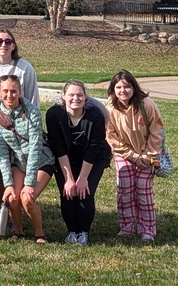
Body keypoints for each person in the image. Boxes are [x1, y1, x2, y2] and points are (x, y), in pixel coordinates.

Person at [45, 79, 111, 245]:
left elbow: (94, 148)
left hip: (94, 159)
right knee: (67, 193)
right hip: (65, 158)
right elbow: (58, 147)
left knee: (84, 192)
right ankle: (72, 232)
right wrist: (68, 179)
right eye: (71, 95)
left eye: (80, 95)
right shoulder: (54, 115)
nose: (76, 98)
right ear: (63, 96)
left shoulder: (95, 115)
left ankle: (84, 233)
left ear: (85, 97)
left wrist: (82, 178)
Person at [0, 74, 55, 243]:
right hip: (19, 163)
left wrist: (29, 183)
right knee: (12, 197)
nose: (9, 95)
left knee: (27, 198)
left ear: (20, 92)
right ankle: (18, 231)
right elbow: (2, 154)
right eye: (5, 91)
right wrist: (8, 184)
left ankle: (40, 234)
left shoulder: (32, 111)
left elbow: (35, 148)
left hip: (41, 162)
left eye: (13, 91)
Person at [105, 69, 164, 243]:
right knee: (125, 190)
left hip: (147, 153)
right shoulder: (110, 108)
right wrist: (132, 156)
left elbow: (157, 131)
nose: (123, 91)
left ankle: (148, 229)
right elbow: (111, 136)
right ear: (113, 90)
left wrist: (148, 156)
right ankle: (128, 226)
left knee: (144, 191)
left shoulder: (147, 104)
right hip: (124, 153)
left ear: (134, 87)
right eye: (119, 87)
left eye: (127, 86)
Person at [0, 29, 39, 106]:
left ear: (13, 46)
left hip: (20, 116)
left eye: (8, 42)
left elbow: (33, 99)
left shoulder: (25, 68)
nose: (3, 45)